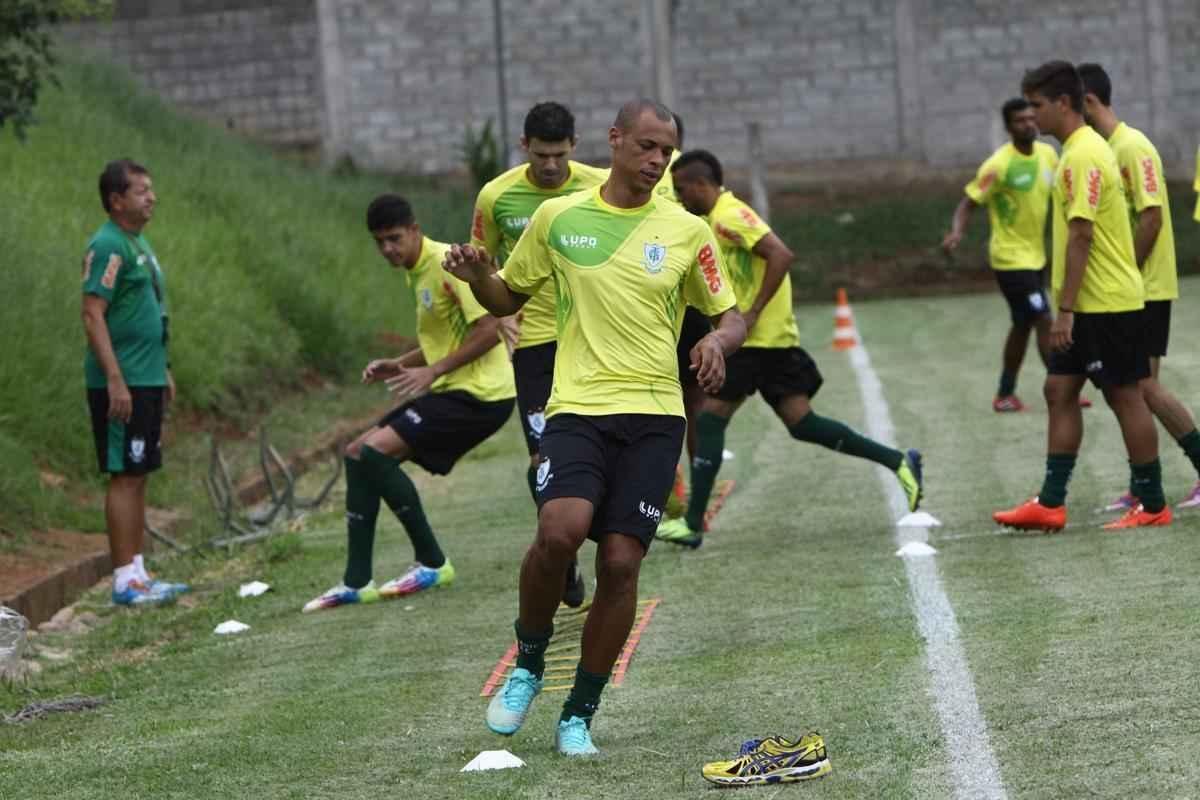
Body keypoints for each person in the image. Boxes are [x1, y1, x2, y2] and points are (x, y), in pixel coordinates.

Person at [444, 99, 745, 756]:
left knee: (619, 562)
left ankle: (579, 711)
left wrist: (720, 342)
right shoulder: (559, 218)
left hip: (655, 417)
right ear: (613, 141)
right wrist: (479, 277)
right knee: (560, 532)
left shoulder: (686, 230)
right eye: (645, 146)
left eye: (665, 152)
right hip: (577, 405)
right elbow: (507, 298)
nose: (655, 161)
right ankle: (527, 663)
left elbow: (731, 312)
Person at [655, 149, 924, 548]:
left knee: (710, 419)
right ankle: (898, 460)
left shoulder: (731, 216)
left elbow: (780, 253)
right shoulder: (714, 219)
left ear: (700, 185)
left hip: (759, 340)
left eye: (681, 190)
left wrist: (750, 314)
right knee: (802, 423)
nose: (679, 198)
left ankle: (692, 524)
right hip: (768, 341)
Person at [302, 195, 515, 613]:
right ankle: (356, 581)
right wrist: (399, 363)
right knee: (355, 453)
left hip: (482, 395)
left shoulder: (445, 264)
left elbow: (490, 328)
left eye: (394, 239)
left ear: (415, 229)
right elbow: (445, 339)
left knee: (373, 452)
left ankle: (433, 563)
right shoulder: (415, 270)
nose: (387, 249)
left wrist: (431, 373)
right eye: (379, 242)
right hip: (454, 390)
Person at [994, 61, 1169, 531]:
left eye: (1036, 105)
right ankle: (1051, 503)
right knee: (1058, 389)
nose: (1031, 116)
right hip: (1091, 302)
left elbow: (1081, 236)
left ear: (1063, 104)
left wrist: (1064, 311)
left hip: (1105, 302)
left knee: (1124, 395)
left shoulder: (1082, 155)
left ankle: (1152, 504)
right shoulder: (1076, 150)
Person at [471, 102, 607, 607]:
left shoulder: (599, 185)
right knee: (541, 456)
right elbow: (478, 259)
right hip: (534, 341)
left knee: (601, 441)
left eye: (560, 154)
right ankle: (564, 554)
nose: (551, 165)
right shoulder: (497, 196)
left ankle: (602, 536)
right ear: (524, 146)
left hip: (593, 335)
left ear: (575, 146)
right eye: (541, 155)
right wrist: (497, 310)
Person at [1078, 63, 1200, 512]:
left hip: (1143, 287)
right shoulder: (1108, 147)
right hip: (1128, 288)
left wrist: (1124, 271)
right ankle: (1142, 483)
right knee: (1123, 388)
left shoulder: (1132, 147)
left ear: (1088, 102)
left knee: (1143, 386)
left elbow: (1151, 216)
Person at [82, 159, 188, 606]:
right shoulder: (108, 245)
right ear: (116, 200)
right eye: (141, 190)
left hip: (145, 377)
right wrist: (115, 379)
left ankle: (140, 573)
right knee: (124, 474)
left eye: (151, 189)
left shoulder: (137, 242)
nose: (152, 197)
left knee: (139, 472)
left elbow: (148, 311)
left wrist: (160, 369)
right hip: (121, 382)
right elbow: (93, 313)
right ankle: (124, 578)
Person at [942, 99, 1059, 412]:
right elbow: (968, 202)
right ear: (1009, 128)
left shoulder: (1048, 155)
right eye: (1021, 120)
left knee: (1023, 324)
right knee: (1044, 317)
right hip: (1010, 259)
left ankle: (1005, 394)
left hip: (1036, 256)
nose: (1029, 124)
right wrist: (957, 232)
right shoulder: (999, 165)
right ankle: (1061, 388)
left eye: (1032, 118)